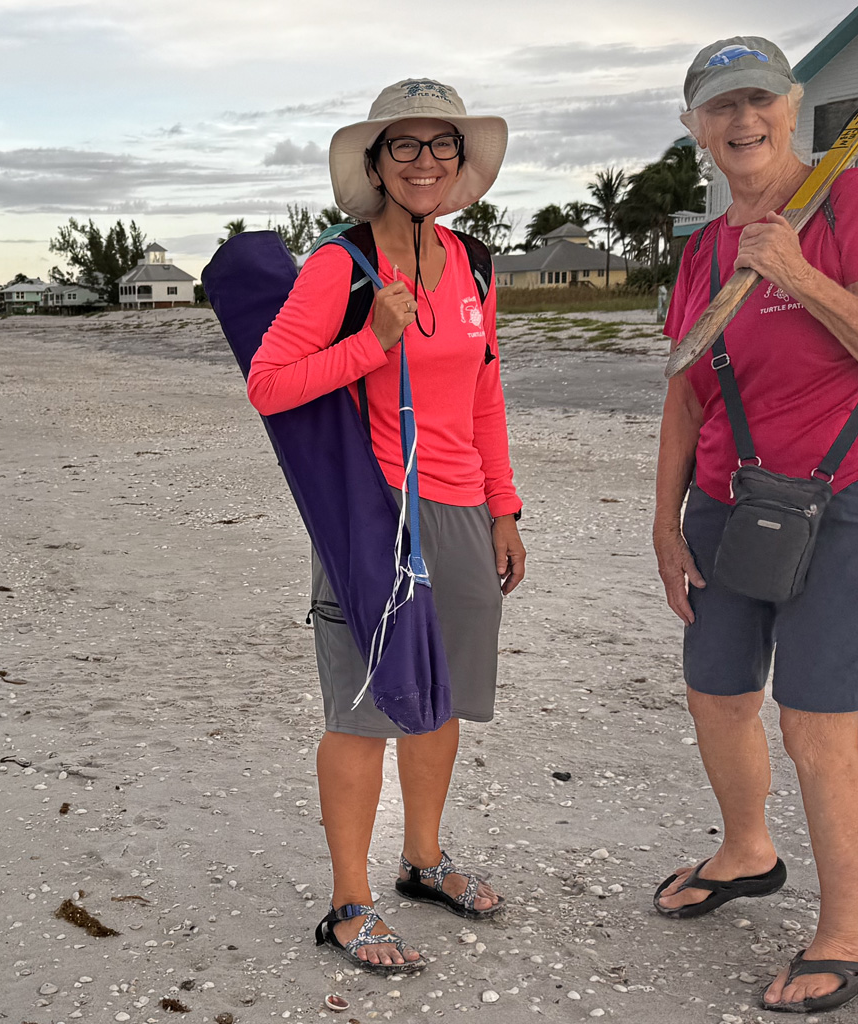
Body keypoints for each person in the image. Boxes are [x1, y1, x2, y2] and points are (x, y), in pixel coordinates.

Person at [652, 38, 858, 1014]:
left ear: (792, 104)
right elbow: (686, 393)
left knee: (817, 723)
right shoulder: (699, 251)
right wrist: (665, 522)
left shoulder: (855, 204)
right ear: (696, 126)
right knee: (715, 691)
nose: (741, 122)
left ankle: (845, 933)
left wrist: (800, 273)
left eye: (758, 100)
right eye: (719, 108)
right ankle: (746, 850)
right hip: (732, 499)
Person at [246, 78, 525, 974]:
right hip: (376, 520)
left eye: (441, 145)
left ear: (461, 162)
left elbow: (484, 391)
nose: (424, 162)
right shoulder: (343, 265)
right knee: (363, 712)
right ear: (375, 165)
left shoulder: (475, 262)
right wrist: (373, 338)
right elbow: (269, 383)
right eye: (403, 146)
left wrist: (504, 508)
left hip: (462, 510)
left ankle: (423, 861)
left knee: (440, 702)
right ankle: (349, 902)